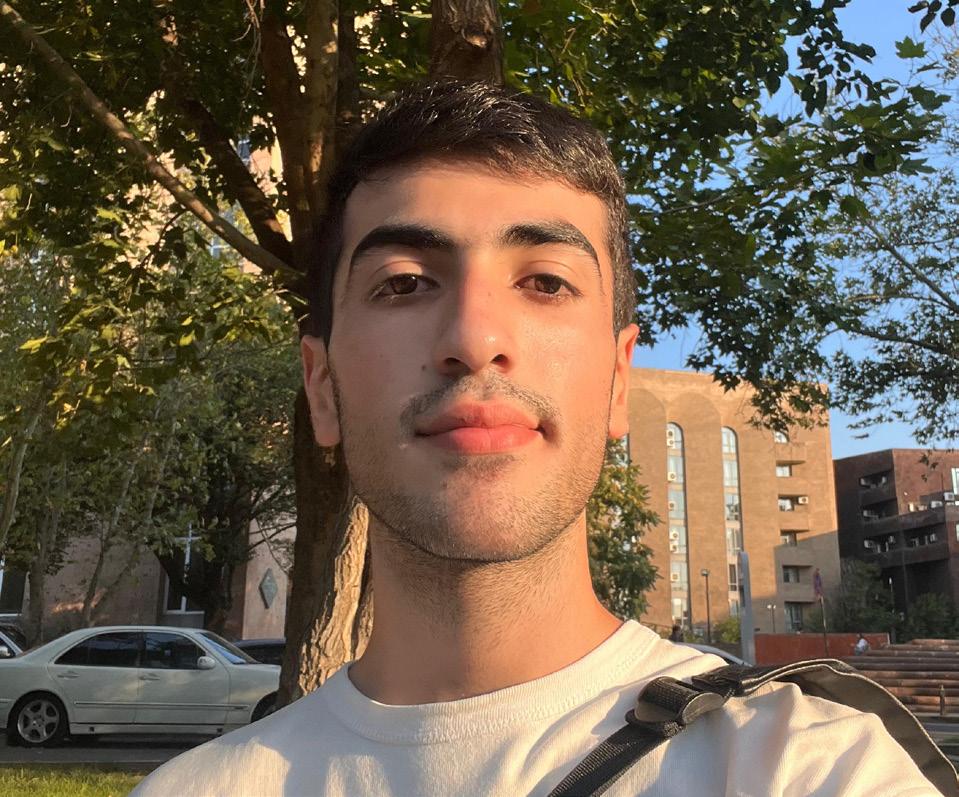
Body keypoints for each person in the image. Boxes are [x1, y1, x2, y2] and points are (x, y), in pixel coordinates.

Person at [132, 81, 940, 796]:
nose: (474, 337)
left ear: (617, 380)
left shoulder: (805, 766)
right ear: (321, 386)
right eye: (404, 283)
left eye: (545, 281)